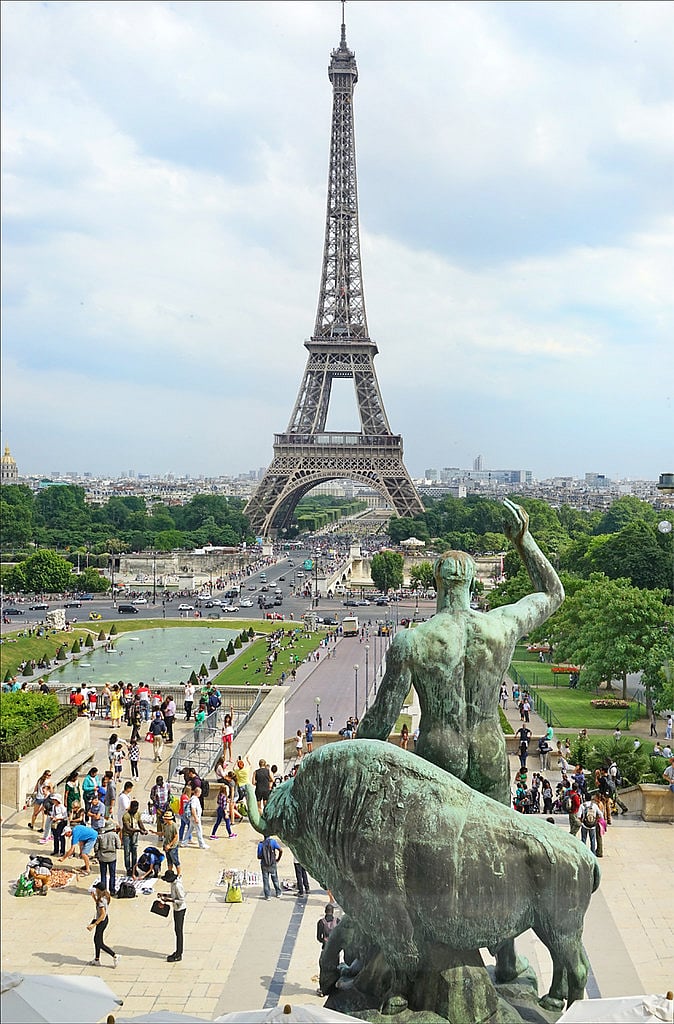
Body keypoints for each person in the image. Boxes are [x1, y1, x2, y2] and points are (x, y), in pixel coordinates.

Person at [87, 881, 118, 968]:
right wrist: (94, 898)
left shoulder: (100, 901)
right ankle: (97, 959)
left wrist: (94, 924)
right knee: (96, 940)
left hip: (101, 921)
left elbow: (102, 914)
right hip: (105, 920)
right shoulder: (106, 897)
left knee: (99, 942)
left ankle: (114, 955)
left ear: (99, 890)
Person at [159, 870, 187, 962]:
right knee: (176, 930)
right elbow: (174, 895)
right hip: (176, 909)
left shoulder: (178, 885)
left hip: (180, 909)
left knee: (179, 931)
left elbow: (181, 899)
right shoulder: (173, 884)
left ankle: (179, 954)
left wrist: (169, 901)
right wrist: (165, 895)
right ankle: (177, 951)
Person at [121, 799, 148, 875]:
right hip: (127, 835)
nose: (136, 810)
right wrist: (139, 831)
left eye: (137, 809)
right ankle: (128, 868)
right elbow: (128, 828)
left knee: (134, 852)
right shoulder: (125, 816)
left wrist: (144, 829)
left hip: (135, 835)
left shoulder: (138, 814)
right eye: (134, 809)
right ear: (131, 808)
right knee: (127, 852)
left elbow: (140, 823)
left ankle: (134, 868)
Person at [94, 819, 121, 895]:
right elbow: (118, 846)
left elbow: (96, 848)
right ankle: (112, 890)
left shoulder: (100, 836)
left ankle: (103, 890)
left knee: (103, 874)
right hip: (112, 857)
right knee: (112, 874)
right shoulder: (115, 835)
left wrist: (97, 853)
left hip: (102, 858)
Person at [257, 833, 282, 899]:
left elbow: (259, 856)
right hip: (272, 863)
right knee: (275, 878)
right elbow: (281, 850)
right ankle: (278, 892)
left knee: (266, 880)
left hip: (264, 864)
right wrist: (278, 859)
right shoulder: (273, 842)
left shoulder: (260, 844)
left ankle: (268, 896)